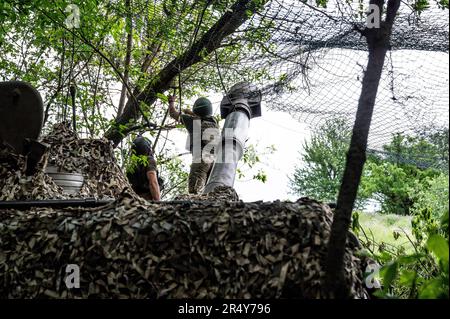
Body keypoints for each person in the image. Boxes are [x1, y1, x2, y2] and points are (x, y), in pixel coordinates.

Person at [168, 95, 220, 194]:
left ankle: (196, 206)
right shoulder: (213, 122)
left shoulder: (192, 122)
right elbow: (199, 116)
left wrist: (171, 102)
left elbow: (173, 113)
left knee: (195, 189)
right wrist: (187, 111)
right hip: (214, 160)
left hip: (201, 159)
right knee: (207, 189)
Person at [126, 136, 161, 201]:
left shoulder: (131, 165)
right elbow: (153, 181)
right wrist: (158, 202)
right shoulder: (149, 160)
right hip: (147, 201)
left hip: (134, 202)